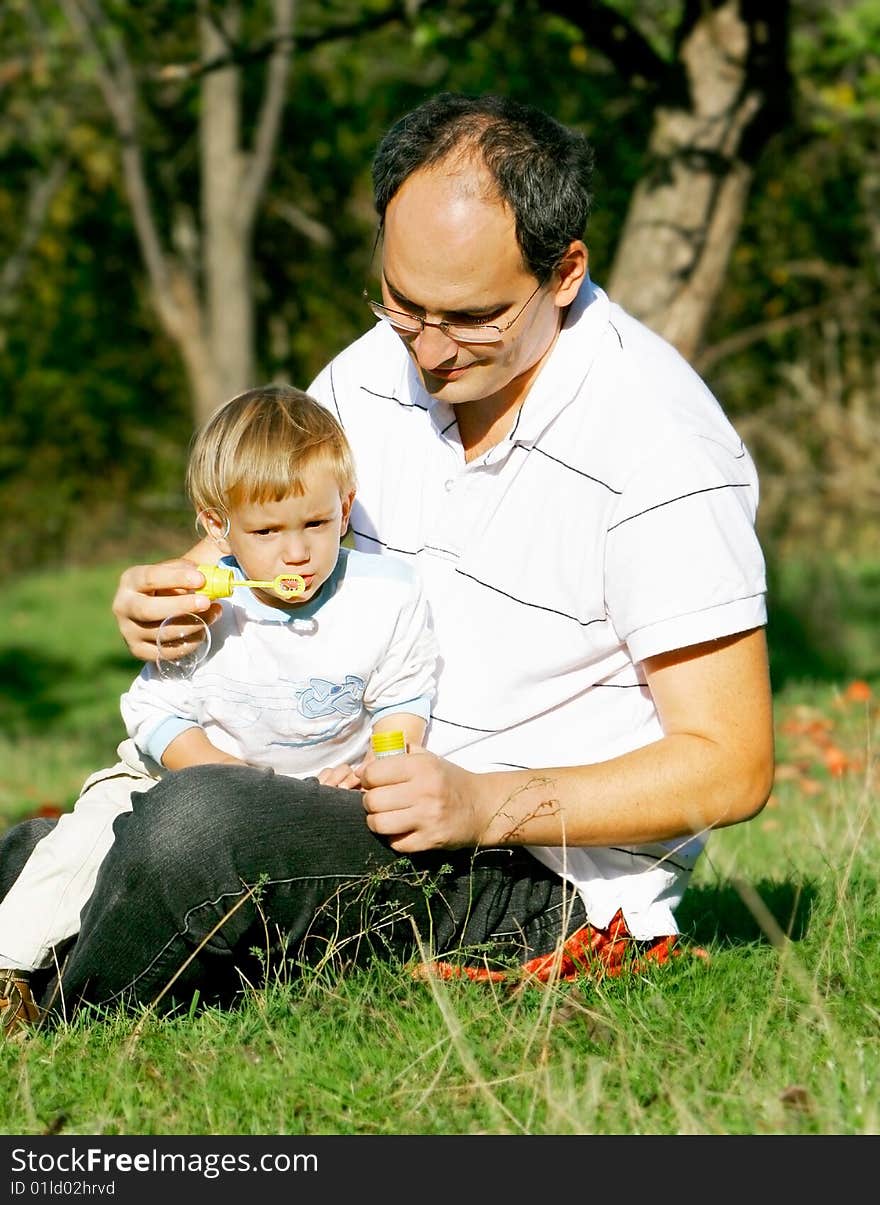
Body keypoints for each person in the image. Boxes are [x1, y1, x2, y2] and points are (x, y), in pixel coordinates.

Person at [0, 91, 774, 1030]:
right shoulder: (378, 366)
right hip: (339, 789)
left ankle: (51, 1019)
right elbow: (261, 528)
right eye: (404, 304)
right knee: (44, 849)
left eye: (472, 317)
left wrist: (483, 803)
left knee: (195, 830)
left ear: (564, 272)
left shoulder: (661, 448)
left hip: (534, 874)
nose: (431, 349)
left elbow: (731, 765)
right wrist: (175, 589)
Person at [0, 386, 438, 1037]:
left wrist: (385, 762)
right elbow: (157, 716)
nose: (296, 553)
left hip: (314, 794)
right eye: (265, 532)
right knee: (76, 852)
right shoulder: (205, 603)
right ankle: (9, 974)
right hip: (168, 773)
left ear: (345, 507)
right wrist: (230, 784)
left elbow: (403, 696)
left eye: (316, 524)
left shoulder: (388, 595)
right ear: (217, 526)